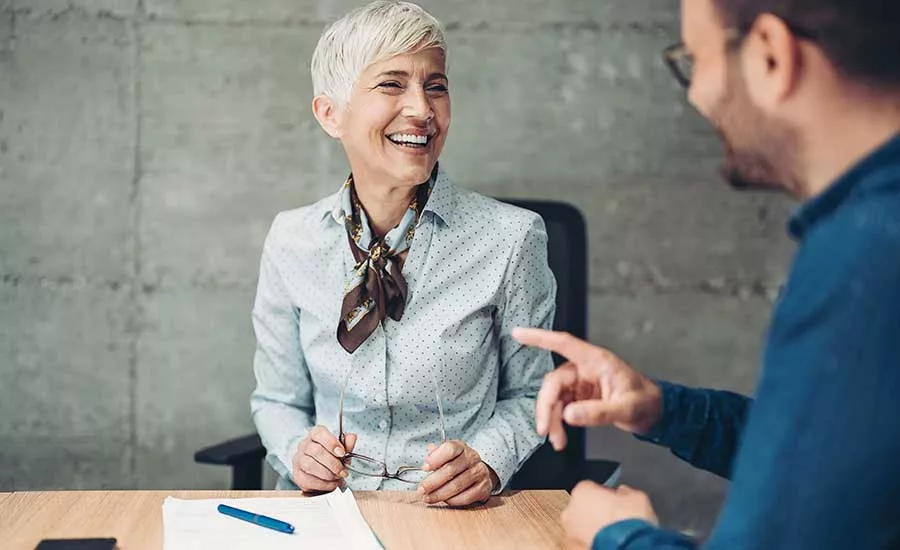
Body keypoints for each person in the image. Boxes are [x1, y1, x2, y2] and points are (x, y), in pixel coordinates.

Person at [514, 0, 900, 547]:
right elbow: (828, 462)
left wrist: (615, 535)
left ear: (770, 54)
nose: (695, 95)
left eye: (695, 62)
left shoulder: (862, 261)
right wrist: (667, 409)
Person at [249, 0, 556, 507]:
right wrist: (295, 452)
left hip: (454, 515)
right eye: (392, 84)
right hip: (328, 515)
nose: (422, 109)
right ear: (331, 114)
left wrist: (486, 459)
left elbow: (532, 395)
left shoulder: (512, 238)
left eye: (435, 86)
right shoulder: (291, 240)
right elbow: (277, 401)